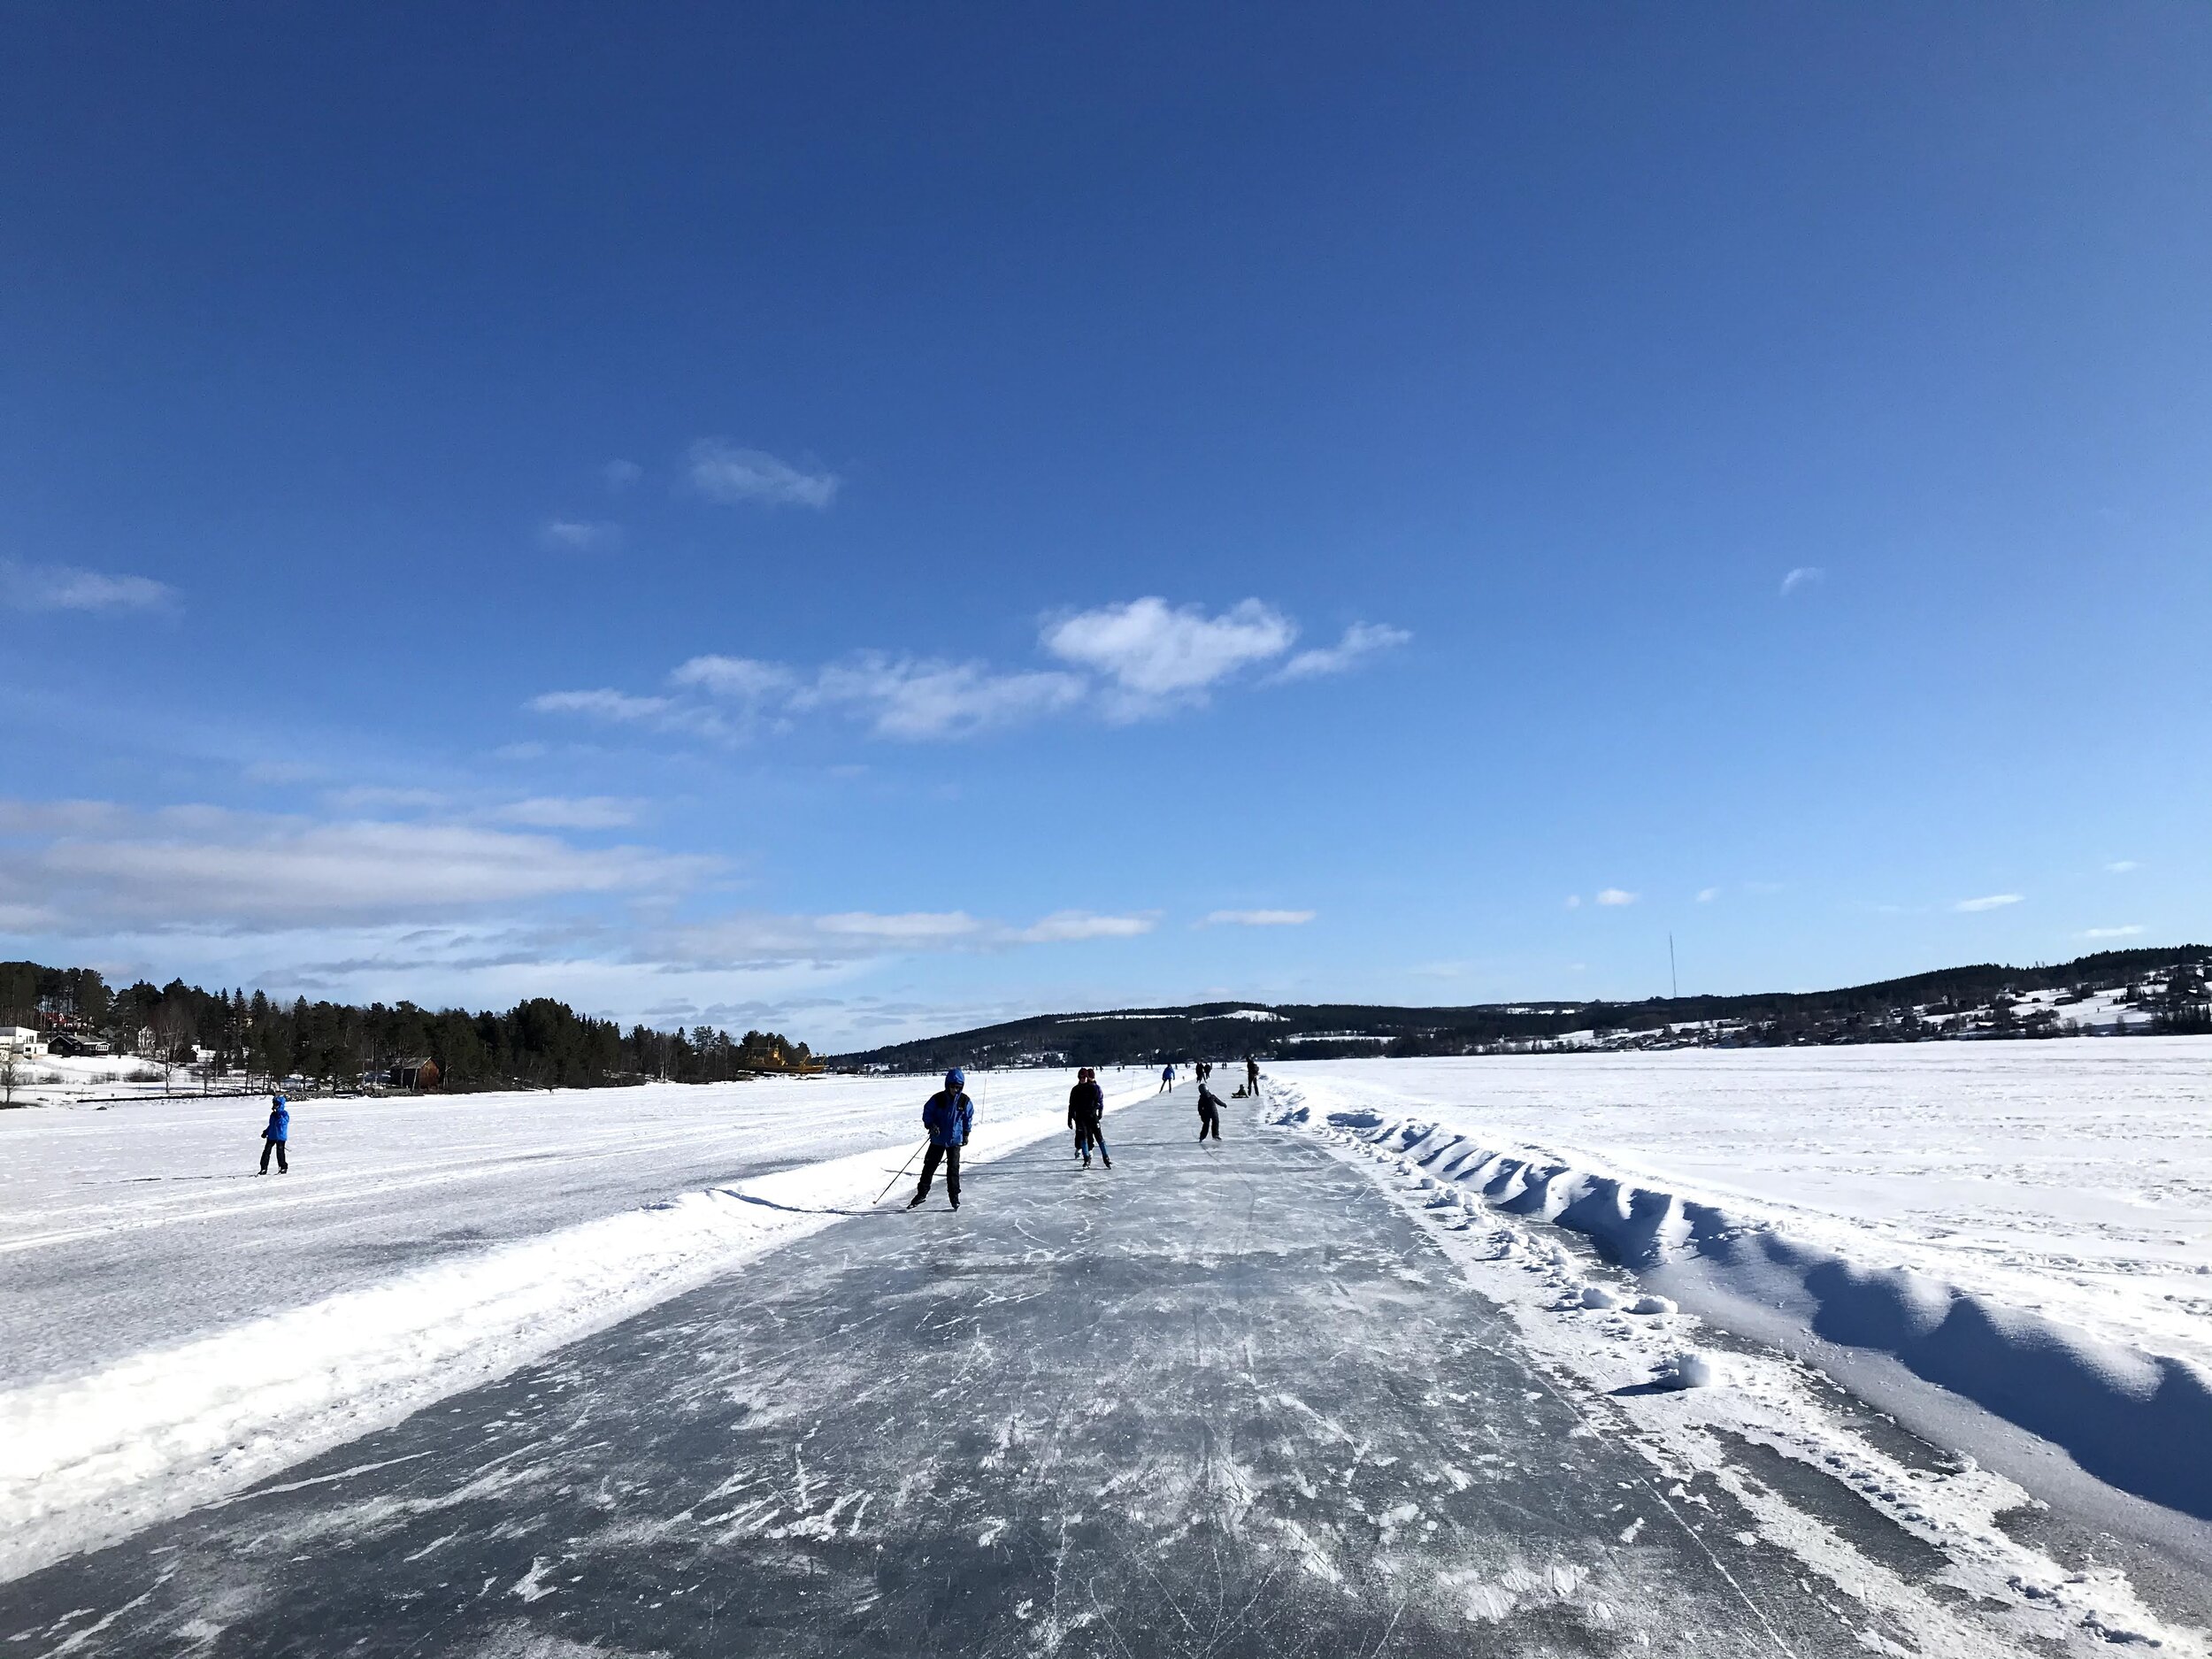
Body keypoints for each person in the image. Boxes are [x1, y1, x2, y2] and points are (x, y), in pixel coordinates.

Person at [908, 1067, 973, 1210]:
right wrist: (931, 1125)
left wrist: (966, 1134)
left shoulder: (964, 1101)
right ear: (947, 1085)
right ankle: (922, 1194)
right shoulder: (938, 1099)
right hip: (938, 1139)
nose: (955, 1090)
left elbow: (967, 1118)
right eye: (953, 1086)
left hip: (955, 1140)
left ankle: (954, 1197)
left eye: (958, 1087)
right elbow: (927, 1112)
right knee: (929, 1167)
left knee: (953, 1169)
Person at [1068, 1067, 1110, 1169]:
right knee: (1083, 1138)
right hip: (1080, 1118)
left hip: (1092, 1117)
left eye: (1084, 1077)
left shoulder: (1093, 1088)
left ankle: (1106, 1157)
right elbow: (1071, 1105)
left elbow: (1099, 1101)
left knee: (1099, 1137)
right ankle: (1086, 1159)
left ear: (1087, 1077)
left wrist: (1097, 1110)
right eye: (1080, 1077)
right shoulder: (1075, 1090)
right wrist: (1069, 1119)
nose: (1082, 1079)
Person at [257, 1093, 290, 1174]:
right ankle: (263, 1168)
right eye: (274, 1104)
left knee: (280, 1152)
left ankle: (283, 1167)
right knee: (266, 1152)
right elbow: (271, 1125)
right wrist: (266, 1132)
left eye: (276, 1104)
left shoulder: (284, 1114)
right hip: (272, 1136)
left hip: (280, 1137)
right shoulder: (273, 1114)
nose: (275, 1105)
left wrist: (279, 1115)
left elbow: (284, 1122)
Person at [1196, 1079, 1225, 1143]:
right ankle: (1213, 1135)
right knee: (1212, 1123)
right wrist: (1223, 1104)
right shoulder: (1209, 1097)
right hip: (1212, 1112)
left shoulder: (1203, 1098)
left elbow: (1199, 1108)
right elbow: (1218, 1101)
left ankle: (1204, 1136)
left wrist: (1201, 1114)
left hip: (1208, 1113)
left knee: (1208, 1124)